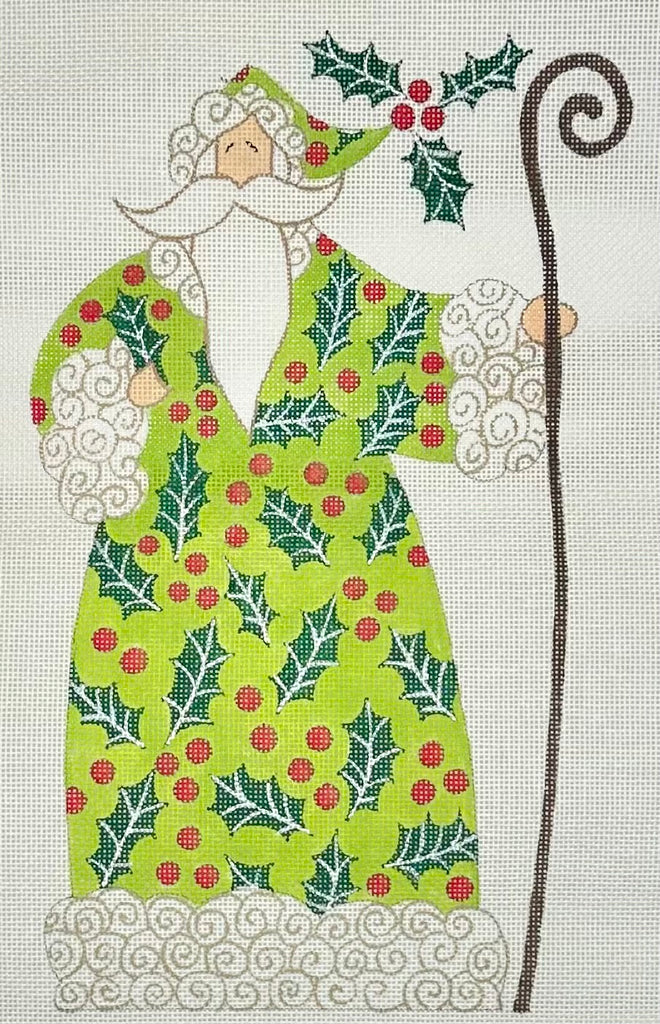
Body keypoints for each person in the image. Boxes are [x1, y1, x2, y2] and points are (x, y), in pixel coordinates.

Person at [33, 67, 576, 1010]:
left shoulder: (341, 296)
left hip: (345, 589)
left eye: (255, 151)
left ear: (290, 171)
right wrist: (117, 393)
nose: (238, 171)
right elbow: (61, 387)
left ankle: (383, 943)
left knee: (368, 754)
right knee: (165, 773)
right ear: (194, 166)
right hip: (166, 594)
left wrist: (516, 334)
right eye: (224, 151)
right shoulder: (134, 298)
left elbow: (424, 353)